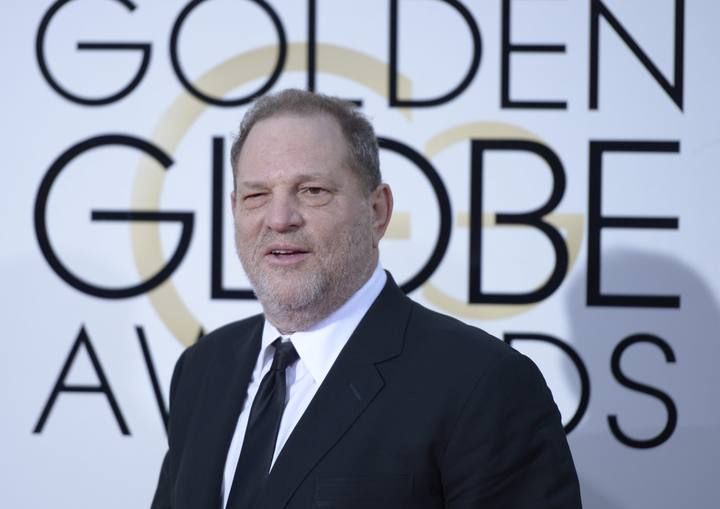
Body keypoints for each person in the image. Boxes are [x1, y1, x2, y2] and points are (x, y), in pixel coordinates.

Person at [150, 89, 582, 509]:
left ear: (376, 211)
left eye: (312, 190)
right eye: (256, 195)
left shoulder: (482, 386)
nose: (279, 219)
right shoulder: (203, 368)